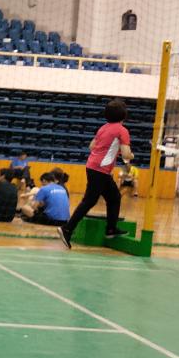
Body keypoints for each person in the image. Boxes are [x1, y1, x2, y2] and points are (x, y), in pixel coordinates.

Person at [58, 98, 133, 249]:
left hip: (93, 166)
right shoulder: (122, 130)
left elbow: (92, 146)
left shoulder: (103, 128)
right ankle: (67, 229)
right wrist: (131, 155)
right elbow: (126, 155)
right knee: (89, 201)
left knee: (114, 197)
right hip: (101, 169)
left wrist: (110, 149)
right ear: (124, 115)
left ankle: (111, 229)